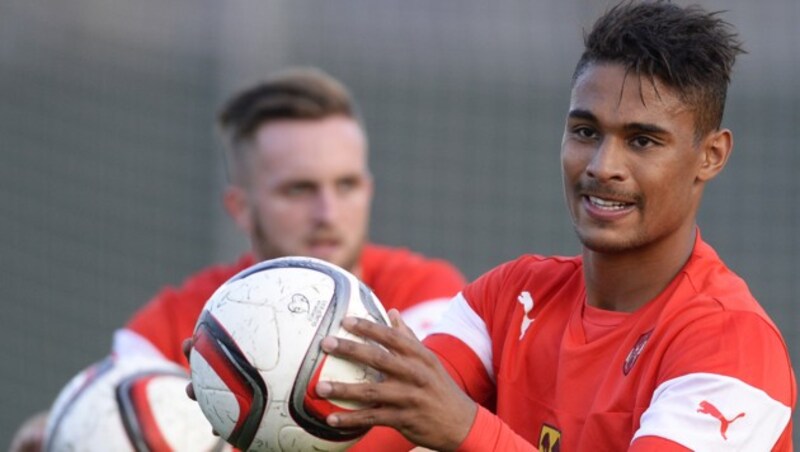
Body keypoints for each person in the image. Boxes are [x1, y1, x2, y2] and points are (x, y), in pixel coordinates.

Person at [313, 2, 796, 451]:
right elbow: (381, 432)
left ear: (711, 156)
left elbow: (452, 420)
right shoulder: (507, 298)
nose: (604, 166)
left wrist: (467, 430)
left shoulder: (733, 346)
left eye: (643, 141)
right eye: (586, 132)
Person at [9, 67, 466, 451]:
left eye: (346, 185)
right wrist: (64, 427)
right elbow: (117, 412)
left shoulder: (428, 298)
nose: (327, 213)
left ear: (368, 189)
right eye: (298, 189)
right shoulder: (173, 324)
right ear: (240, 207)